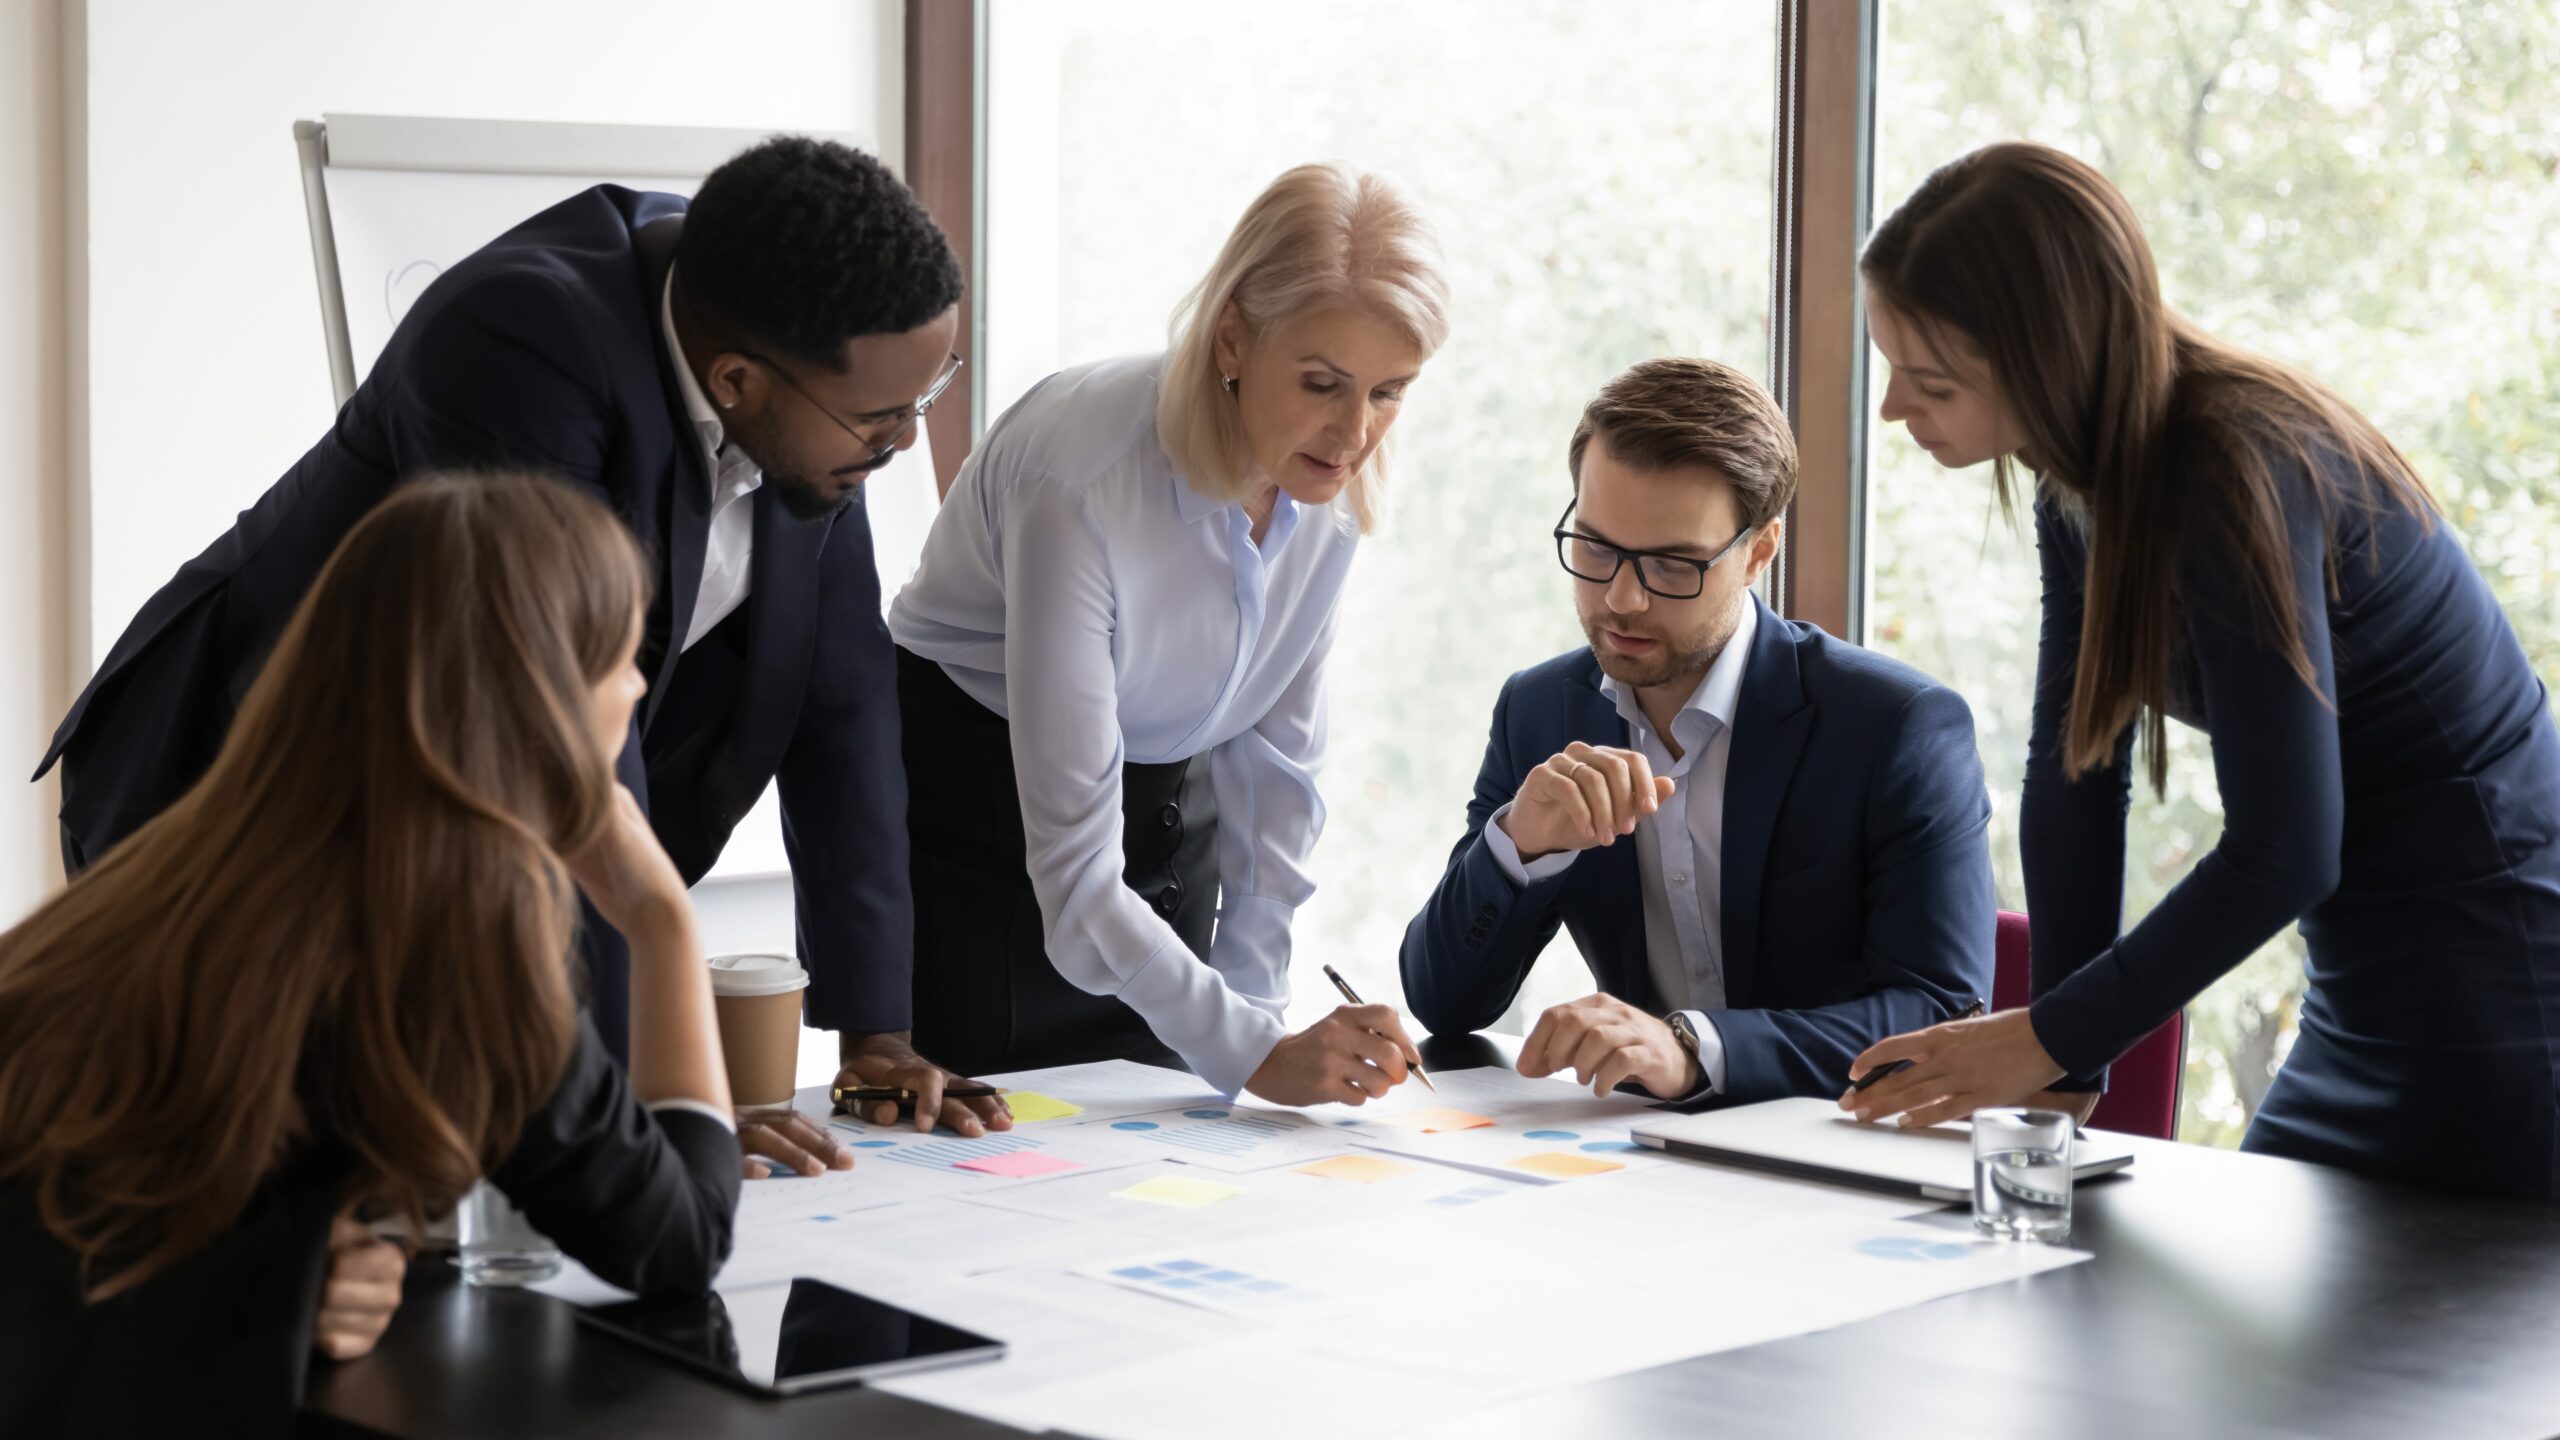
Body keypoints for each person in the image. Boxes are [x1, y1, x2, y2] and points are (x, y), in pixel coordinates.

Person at [35, 137, 1006, 1173]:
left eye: (929, 393)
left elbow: (843, 702)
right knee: (248, 1206)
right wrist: (650, 1092)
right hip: (249, 814)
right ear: (736, 381)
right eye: (882, 414)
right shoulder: (522, 339)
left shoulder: (797, 371)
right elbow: (556, 715)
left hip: (444, 835)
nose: (907, 440)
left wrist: (875, 1039)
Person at [1839, 142, 2560, 1200]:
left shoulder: (2234, 473)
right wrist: (2064, 1063)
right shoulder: (2080, 483)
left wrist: (2048, 1033)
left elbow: (2283, 851)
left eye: (1930, 379)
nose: (1895, 407)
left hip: (2501, 1008)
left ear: (2047, 361)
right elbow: (2076, 774)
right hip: (2362, 997)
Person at [0, 475, 741, 1432]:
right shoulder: (451, 927)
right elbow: (677, 1241)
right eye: (619, 658)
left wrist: (291, 1274)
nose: (638, 688)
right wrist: (659, 916)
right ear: (543, 698)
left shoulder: (180, 860)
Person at [888, 163, 1450, 1103]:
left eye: (1390, 392)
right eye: (1322, 383)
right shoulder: (1078, 482)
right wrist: (1255, 1054)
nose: (1356, 432)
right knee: (1007, 1174)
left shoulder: (1332, 481)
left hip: (1166, 814)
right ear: (1232, 334)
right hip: (977, 823)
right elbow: (1072, 885)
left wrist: (1256, 1015)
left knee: (1178, 1153)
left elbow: (1278, 776)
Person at [1400, 358, 1995, 1103]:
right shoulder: (1541, 709)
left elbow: (1941, 1014)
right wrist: (1520, 845)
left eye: (1673, 566)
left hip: (1838, 1152)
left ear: (1759, 551)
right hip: (1641, 1166)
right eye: (1595, 548)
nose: (1620, 598)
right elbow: (1445, 1003)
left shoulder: (1896, 728)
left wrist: (1691, 1048)